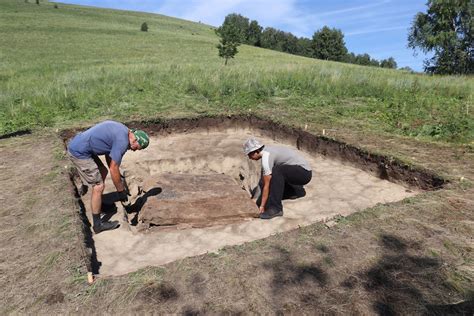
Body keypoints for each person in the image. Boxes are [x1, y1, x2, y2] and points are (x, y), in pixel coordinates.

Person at [67, 120, 149, 233]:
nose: (134, 150)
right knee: (98, 186)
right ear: (135, 139)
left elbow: (109, 154)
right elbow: (113, 168)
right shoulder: (123, 141)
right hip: (80, 152)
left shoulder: (123, 131)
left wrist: (116, 172)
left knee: (102, 171)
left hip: (82, 145)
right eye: (136, 148)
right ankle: (97, 225)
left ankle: (99, 205)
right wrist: (121, 192)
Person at [243, 138, 312, 219]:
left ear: (256, 151)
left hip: (304, 174)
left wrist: (262, 206)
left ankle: (275, 209)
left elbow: (266, 184)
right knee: (275, 174)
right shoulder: (267, 151)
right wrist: (255, 199)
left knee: (277, 170)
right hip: (299, 172)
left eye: (249, 155)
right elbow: (263, 180)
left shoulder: (266, 157)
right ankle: (292, 192)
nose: (249, 157)